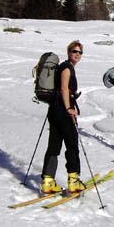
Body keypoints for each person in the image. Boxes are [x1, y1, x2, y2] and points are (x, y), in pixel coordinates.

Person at [40, 40, 86, 194]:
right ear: (68, 52)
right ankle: (73, 181)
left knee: (54, 146)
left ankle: (48, 182)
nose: (77, 54)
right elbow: (64, 89)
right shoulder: (66, 68)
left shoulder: (63, 67)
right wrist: (69, 108)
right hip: (62, 111)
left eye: (80, 52)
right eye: (74, 51)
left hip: (54, 111)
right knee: (72, 144)